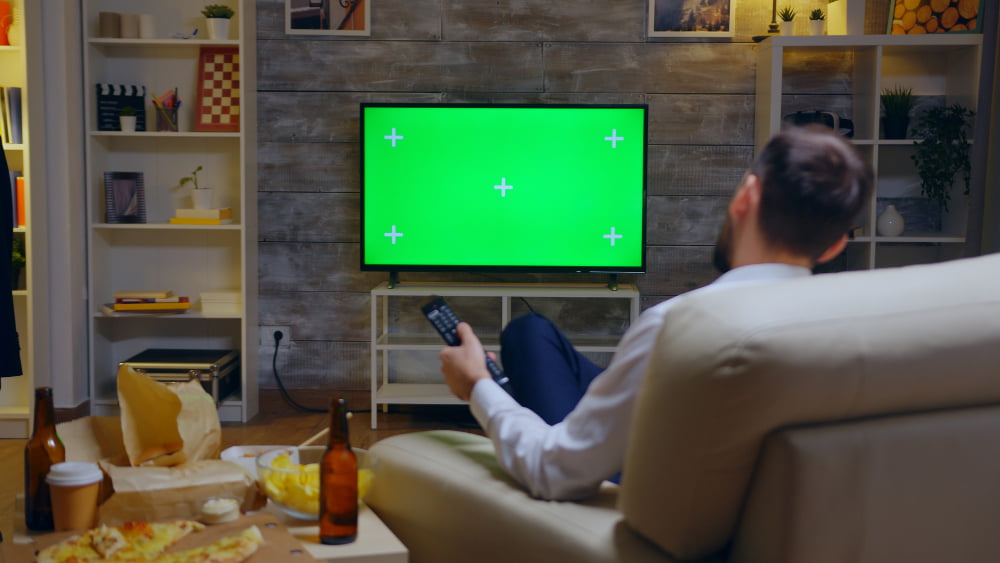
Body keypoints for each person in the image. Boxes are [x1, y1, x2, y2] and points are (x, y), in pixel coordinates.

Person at [437, 125, 874, 500]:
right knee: (529, 332)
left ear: (747, 194)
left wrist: (476, 385)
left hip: (622, 482)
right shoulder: (856, 331)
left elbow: (553, 472)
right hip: (697, 446)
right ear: (836, 243)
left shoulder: (679, 326)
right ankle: (586, 408)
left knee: (510, 374)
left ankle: (526, 403)